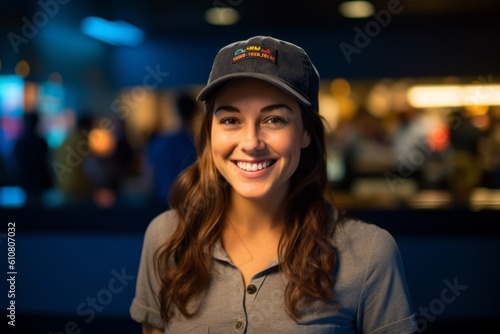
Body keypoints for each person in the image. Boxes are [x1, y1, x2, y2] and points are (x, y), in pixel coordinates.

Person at [130, 36, 418, 333]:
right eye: (230, 120)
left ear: (306, 132)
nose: (251, 143)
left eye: (274, 120)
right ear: (210, 132)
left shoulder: (370, 253)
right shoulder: (167, 238)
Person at [146, 92, 198, 205]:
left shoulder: (159, 142)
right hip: (189, 203)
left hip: (161, 202)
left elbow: (149, 179)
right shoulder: (197, 144)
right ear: (195, 113)